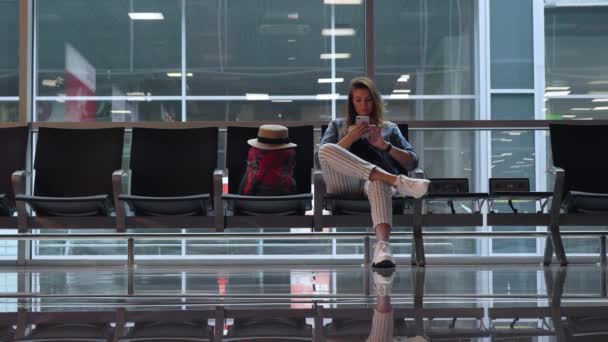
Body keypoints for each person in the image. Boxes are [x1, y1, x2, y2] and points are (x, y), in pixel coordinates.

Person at [318, 77, 430, 268]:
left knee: (377, 182)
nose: (364, 105)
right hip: (346, 183)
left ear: (375, 101)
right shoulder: (337, 126)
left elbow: (413, 162)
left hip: (377, 187)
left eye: (368, 99)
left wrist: (384, 145)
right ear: (351, 103)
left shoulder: (389, 129)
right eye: (358, 100)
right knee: (324, 149)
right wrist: (350, 138)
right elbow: (321, 160)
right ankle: (397, 181)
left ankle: (383, 248)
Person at [238, 124, 298, 196]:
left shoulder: (253, 154)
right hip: (286, 203)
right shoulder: (290, 154)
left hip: (251, 204)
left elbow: (241, 194)